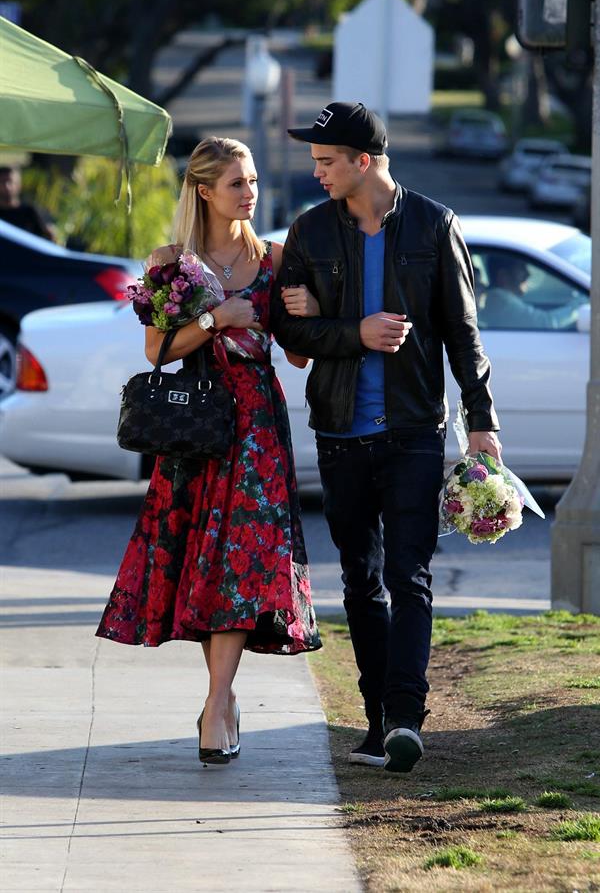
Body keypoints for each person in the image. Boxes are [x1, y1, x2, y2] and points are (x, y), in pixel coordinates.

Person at [271, 101, 501, 773]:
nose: (316, 173)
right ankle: (374, 721)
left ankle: (405, 716)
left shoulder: (434, 225)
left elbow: (463, 333)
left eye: (325, 162)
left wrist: (481, 420)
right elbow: (286, 332)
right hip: (340, 433)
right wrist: (352, 330)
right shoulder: (310, 233)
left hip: (413, 431)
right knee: (360, 580)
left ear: (361, 161)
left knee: (411, 575)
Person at [96, 137, 321, 766]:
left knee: (244, 562)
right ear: (204, 191)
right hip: (195, 428)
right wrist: (217, 317)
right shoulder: (170, 263)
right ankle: (220, 700)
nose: (249, 193)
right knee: (206, 561)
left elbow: (298, 355)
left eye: (251, 182)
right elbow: (155, 352)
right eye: (236, 184)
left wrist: (306, 309)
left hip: (257, 431)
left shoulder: (276, 259)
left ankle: (218, 702)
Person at [479, 253, 585, 330]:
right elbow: (547, 323)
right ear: (503, 276)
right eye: (521, 268)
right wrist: (579, 306)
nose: (528, 274)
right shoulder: (501, 301)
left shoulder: (499, 299)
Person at [0, 166, 56, 240]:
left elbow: (47, 239)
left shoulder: (30, 212)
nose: (7, 186)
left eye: (10, 182)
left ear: (19, 185)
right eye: (2, 182)